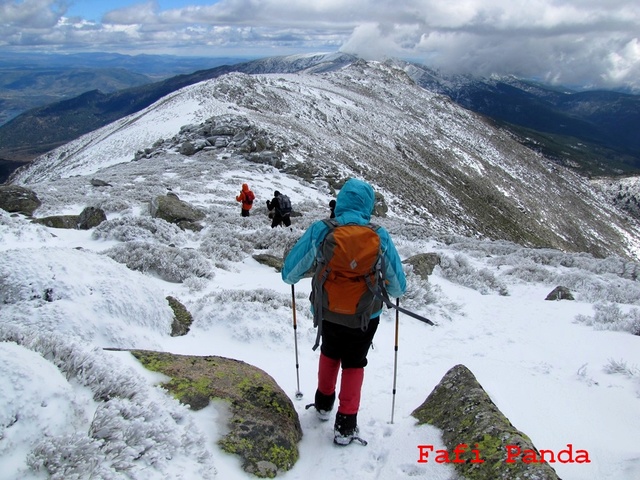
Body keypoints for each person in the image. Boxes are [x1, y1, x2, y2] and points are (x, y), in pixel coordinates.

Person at [281, 178, 406, 445]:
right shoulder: (379, 235)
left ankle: (324, 405)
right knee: (354, 362)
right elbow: (397, 287)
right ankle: (346, 426)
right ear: (368, 205)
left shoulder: (322, 230)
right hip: (365, 316)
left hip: (327, 311)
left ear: (341, 201)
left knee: (329, 350)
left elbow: (290, 273)